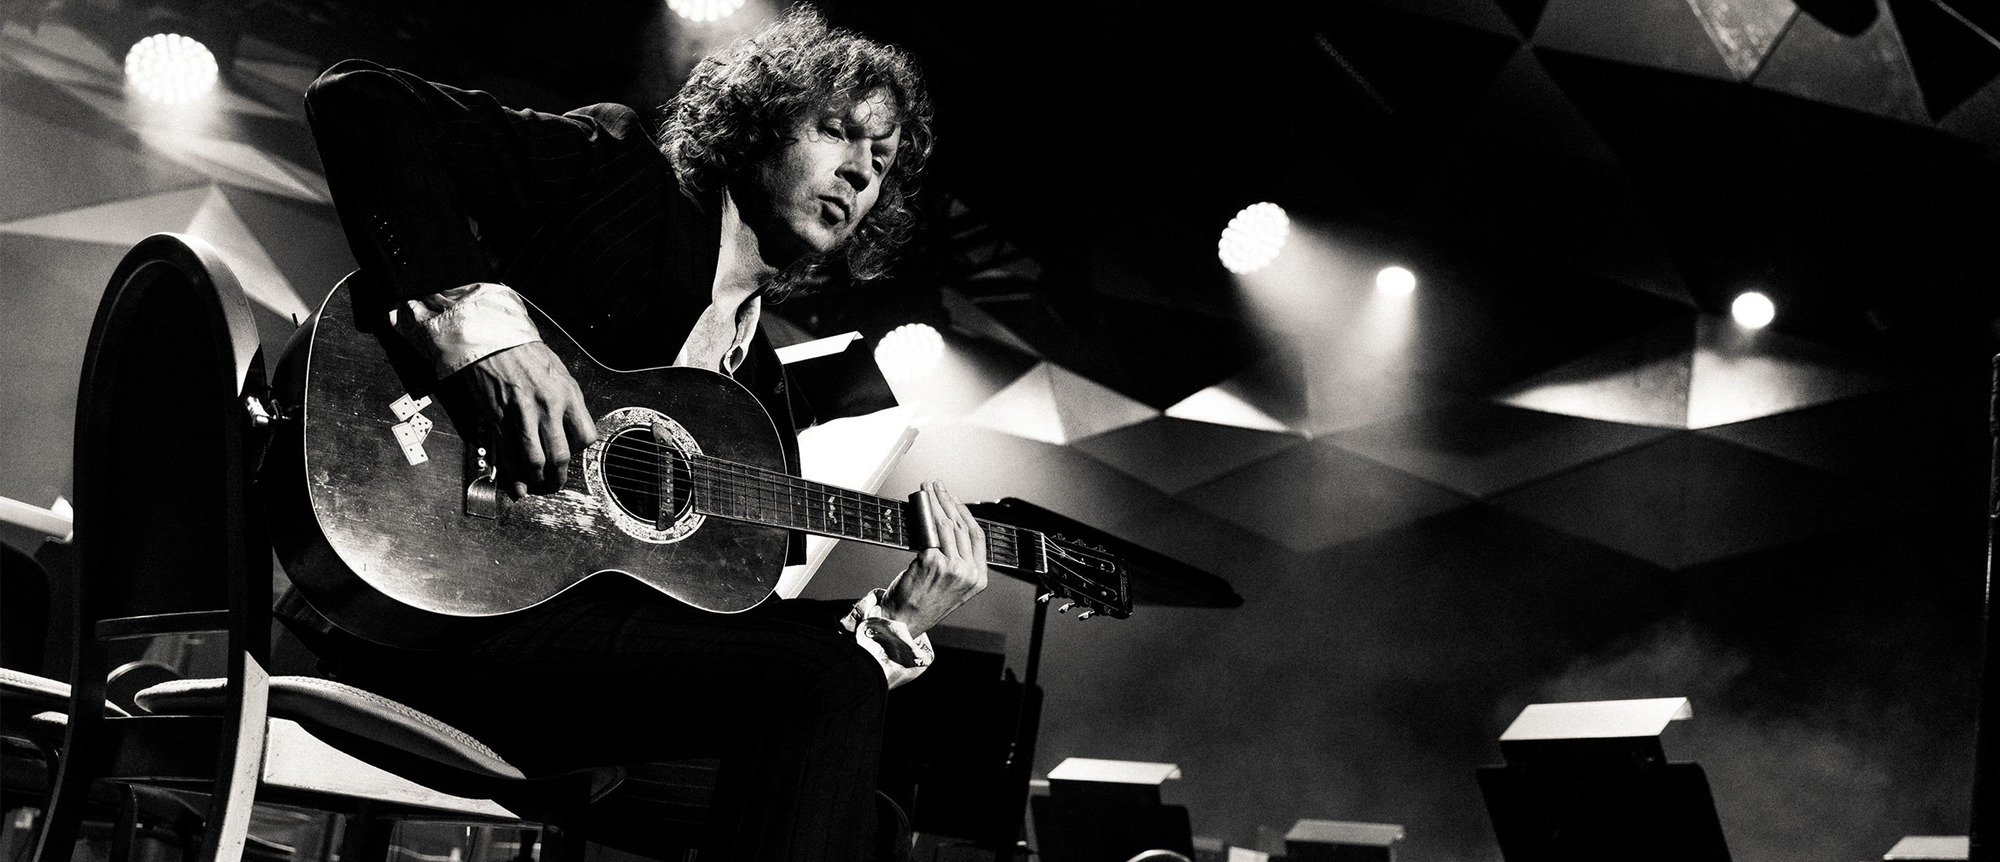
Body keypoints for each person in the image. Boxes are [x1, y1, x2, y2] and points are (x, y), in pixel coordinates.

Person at [274, 8, 987, 862]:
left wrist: (892, 623)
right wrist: (488, 339)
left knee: (867, 822)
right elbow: (361, 103)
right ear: (758, 126)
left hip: (553, 682)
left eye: (880, 164)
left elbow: (728, 626)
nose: (858, 173)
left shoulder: (756, 392)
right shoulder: (616, 179)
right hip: (416, 609)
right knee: (822, 692)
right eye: (836, 132)